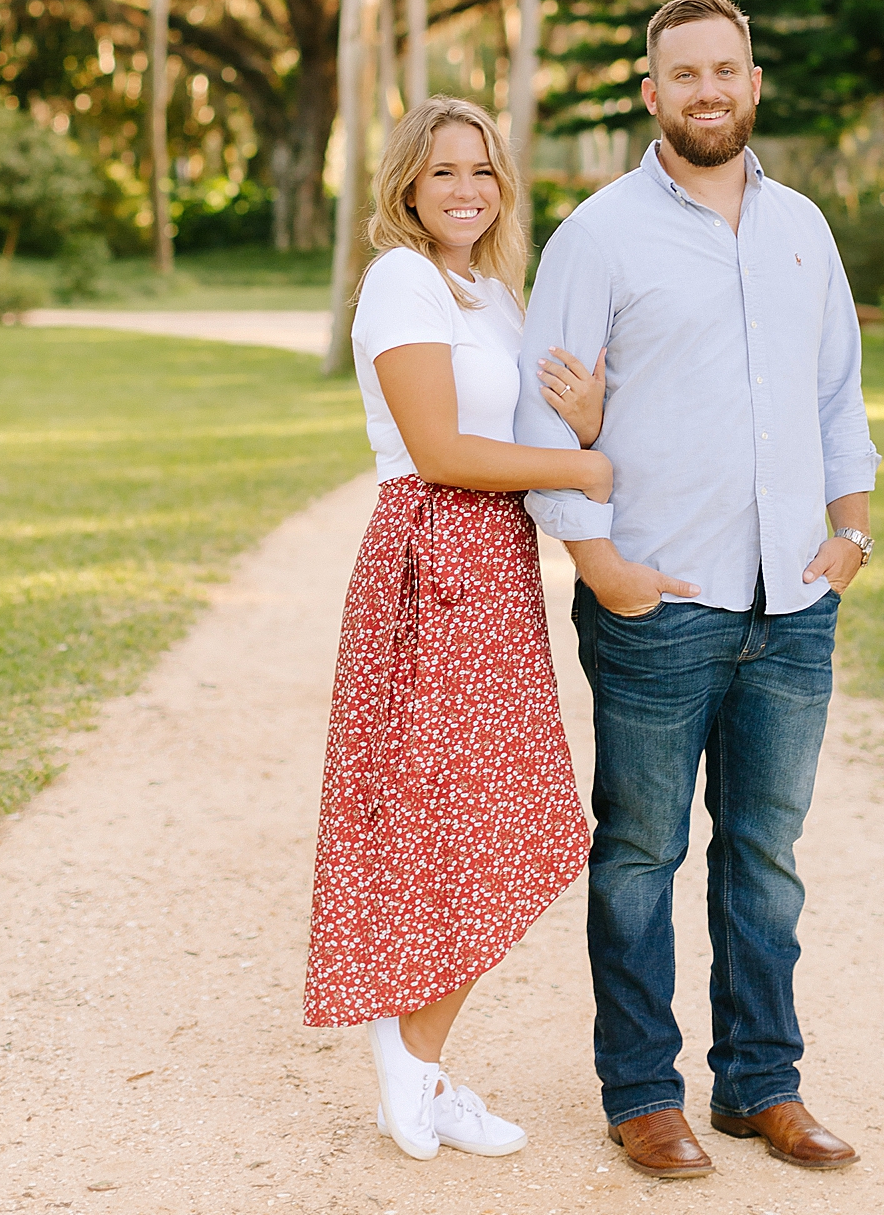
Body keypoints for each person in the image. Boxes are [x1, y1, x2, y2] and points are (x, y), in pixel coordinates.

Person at [516, 0, 880, 1183]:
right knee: (638, 853)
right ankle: (641, 1093)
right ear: (652, 89)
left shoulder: (804, 229)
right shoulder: (600, 232)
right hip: (659, 605)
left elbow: (837, 393)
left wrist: (852, 534)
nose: (708, 89)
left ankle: (761, 1084)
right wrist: (602, 564)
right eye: (686, 73)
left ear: (754, 80)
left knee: (766, 853)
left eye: (727, 69)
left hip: (792, 605)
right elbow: (544, 415)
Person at [303, 96, 607, 1164]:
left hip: (496, 563)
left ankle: (415, 1063)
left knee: (495, 815)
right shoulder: (402, 279)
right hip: (434, 558)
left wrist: (585, 420)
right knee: (460, 812)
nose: (466, 188)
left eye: (481, 169)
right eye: (443, 173)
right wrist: (579, 464)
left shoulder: (493, 290)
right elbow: (437, 447)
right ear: (407, 186)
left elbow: (522, 423)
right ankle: (412, 1063)